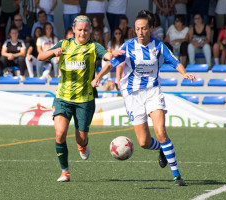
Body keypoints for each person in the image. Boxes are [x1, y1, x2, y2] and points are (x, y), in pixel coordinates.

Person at [92, 10, 195, 186]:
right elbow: (111, 63)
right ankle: (162, 149)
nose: (140, 32)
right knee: (143, 142)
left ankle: (177, 175)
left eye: (144, 29)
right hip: (133, 96)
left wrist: (184, 73)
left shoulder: (159, 46)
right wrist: (99, 76)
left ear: (151, 29)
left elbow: (174, 60)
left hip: (153, 92)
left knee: (161, 132)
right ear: (134, 29)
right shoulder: (128, 46)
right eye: (137, 29)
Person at [37, 15, 124, 182]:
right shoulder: (64, 44)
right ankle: (65, 171)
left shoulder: (93, 46)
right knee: (60, 133)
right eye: (80, 30)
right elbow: (40, 56)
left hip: (85, 100)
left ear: (89, 31)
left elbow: (106, 55)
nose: (83, 33)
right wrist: (53, 52)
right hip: (63, 97)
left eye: (86, 30)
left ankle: (82, 145)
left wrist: (112, 54)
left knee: (81, 138)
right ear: (73, 30)